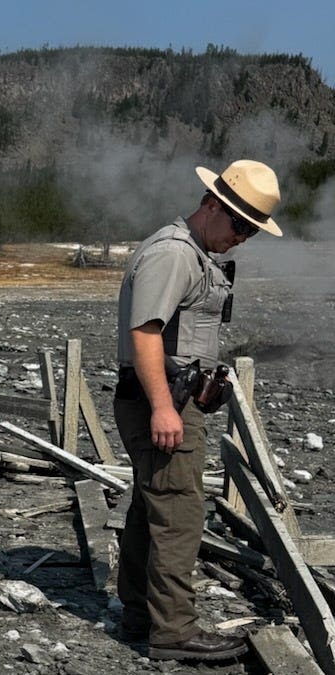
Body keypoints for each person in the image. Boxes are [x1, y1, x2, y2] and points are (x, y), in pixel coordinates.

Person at [114, 159, 283, 662]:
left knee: (153, 507)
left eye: (252, 230)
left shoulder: (193, 253)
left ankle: (141, 616)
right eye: (239, 225)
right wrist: (164, 407)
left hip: (169, 395)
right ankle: (174, 632)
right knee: (180, 512)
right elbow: (144, 333)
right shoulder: (174, 254)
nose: (243, 237)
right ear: (212, 205)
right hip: (161, 399)